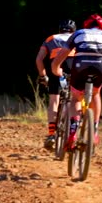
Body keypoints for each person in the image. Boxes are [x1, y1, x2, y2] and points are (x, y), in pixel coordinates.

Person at [51, 14, 102, 150]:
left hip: (80, 65)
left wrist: (57, 71)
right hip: (101, 67)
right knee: (96, 93)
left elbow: (58, 60)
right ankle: (94, 129)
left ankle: (73, 128)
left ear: (86, 25)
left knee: (76, 99)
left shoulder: (78, 33)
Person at [35, 19, 76, 149]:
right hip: (75, 66)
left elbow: (39, 59)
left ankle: (52, 133)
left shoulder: (51, 38)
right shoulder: (77, 37)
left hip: (56, 67)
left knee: (54, 99)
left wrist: (43, 76)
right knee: (76, 98)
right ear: (73, 30)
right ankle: (74, 128)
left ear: (60, 29)